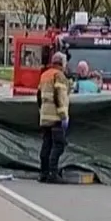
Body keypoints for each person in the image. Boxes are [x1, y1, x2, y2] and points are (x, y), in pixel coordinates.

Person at [37, 51, 71, 183]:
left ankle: (43, 173)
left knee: (47, 144)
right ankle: (53, 173)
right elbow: (59, 96)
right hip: (55, 117)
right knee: (59, 144)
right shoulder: (59, 76)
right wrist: (63, 116)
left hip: (45, 116)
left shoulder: (45, 75)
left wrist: (42, 110)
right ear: (62, 63)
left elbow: (38, 95)